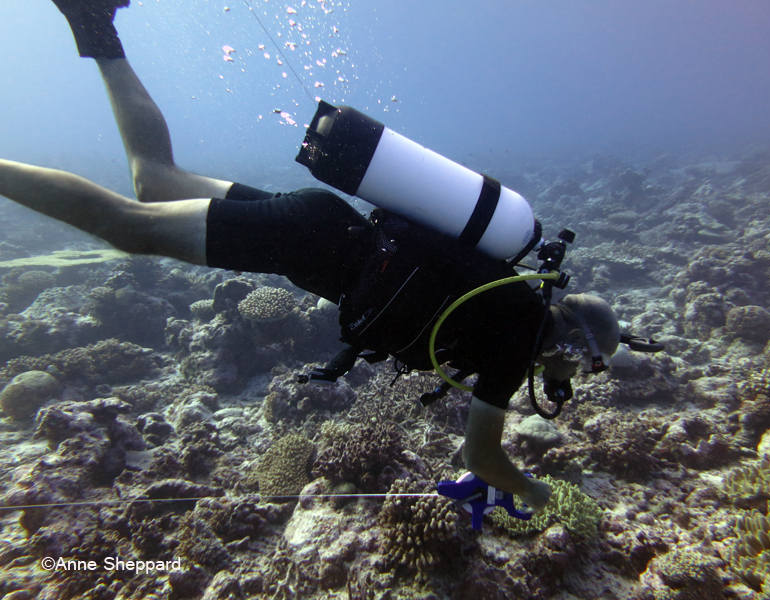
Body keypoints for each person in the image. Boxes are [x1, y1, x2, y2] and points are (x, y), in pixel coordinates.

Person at [0, 0, 622, 513]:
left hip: (324, 226)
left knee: (155, 181)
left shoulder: (513, 309)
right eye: (590, 368)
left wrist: (484, 482)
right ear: (577, 343)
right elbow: (486, 454)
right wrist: (547, 495)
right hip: (310, 241)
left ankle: (94, 25)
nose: (575, 383)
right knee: (126, 225)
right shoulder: (519, 335)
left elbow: (473, 460)